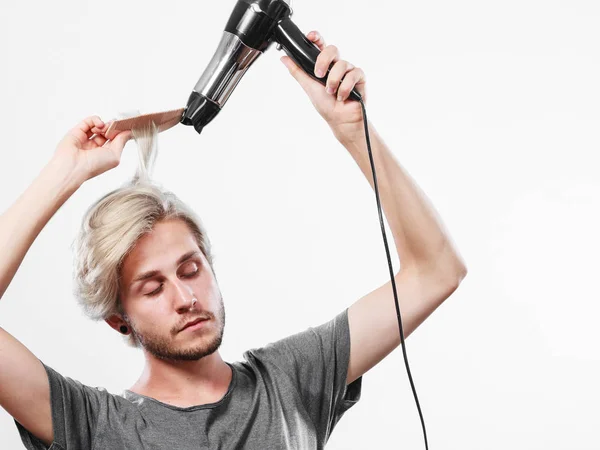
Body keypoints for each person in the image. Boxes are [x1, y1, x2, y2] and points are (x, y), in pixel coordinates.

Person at [0, 31, 467, 449]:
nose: (185, 297)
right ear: (119, 320)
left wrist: (353, 133)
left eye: (190, 269)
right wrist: (66, 173)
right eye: (153, 286)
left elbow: (436, 272)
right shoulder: (94, 426)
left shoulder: (291, 380)